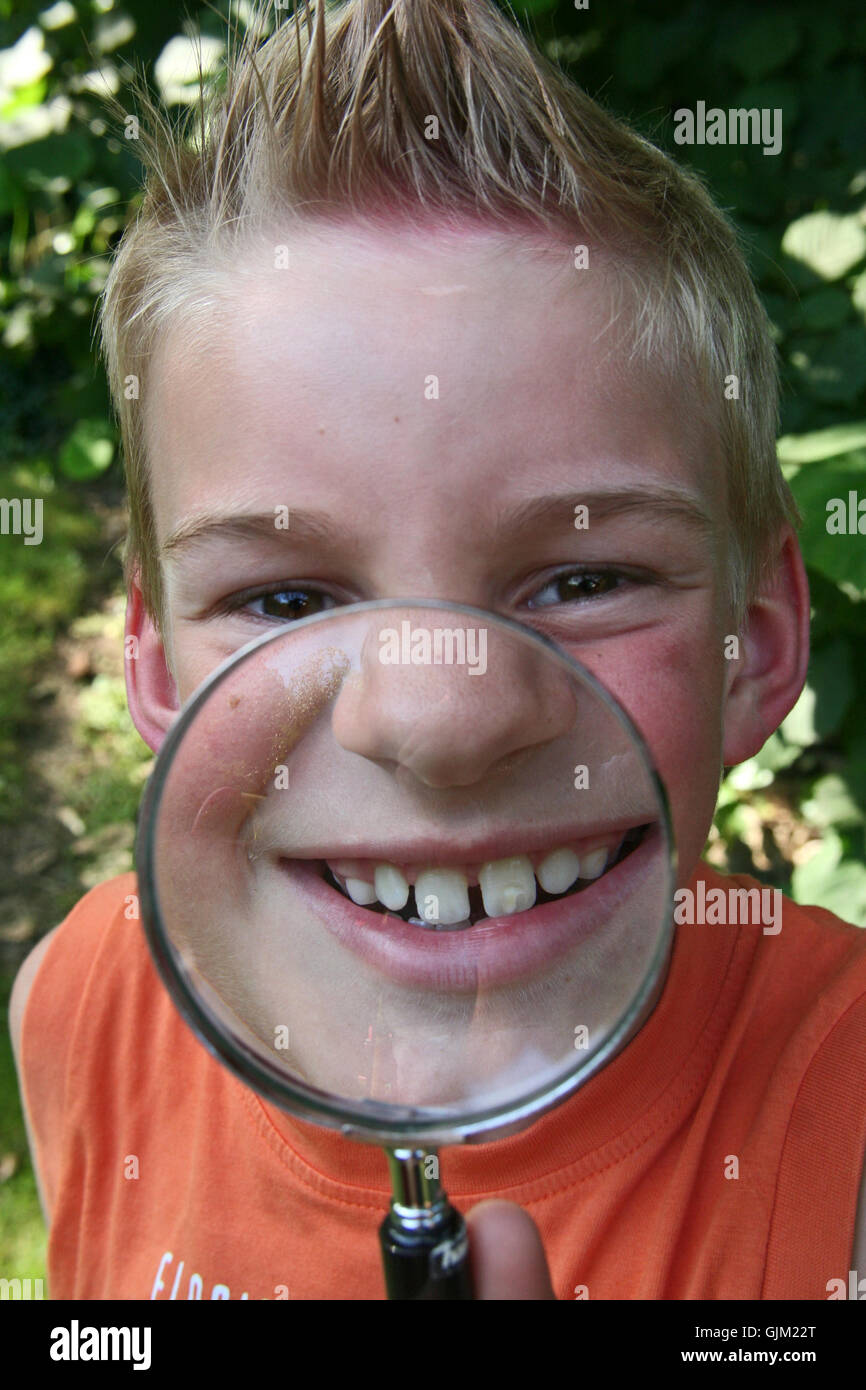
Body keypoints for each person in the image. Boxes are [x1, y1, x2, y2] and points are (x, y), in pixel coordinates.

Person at [9, 0, 866, 1301]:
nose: (438, 720)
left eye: (586, 577)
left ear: (750, 642)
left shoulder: (840, 1133)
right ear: (156, 667)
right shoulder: (76, 1002)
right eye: (288, 599)